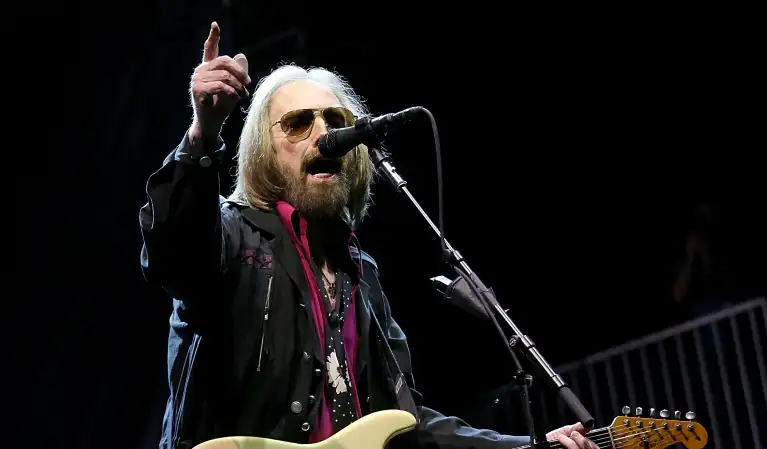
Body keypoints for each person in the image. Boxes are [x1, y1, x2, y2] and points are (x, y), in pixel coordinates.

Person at [139, 22, 599, 449]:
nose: (323, 133)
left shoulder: (362, 276)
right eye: (299, 123)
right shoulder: (233, 237)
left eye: (336, 121)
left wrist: (530, 446)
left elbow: (404, 422)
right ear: (264, 150)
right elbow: (172, 257)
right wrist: (203, 133)